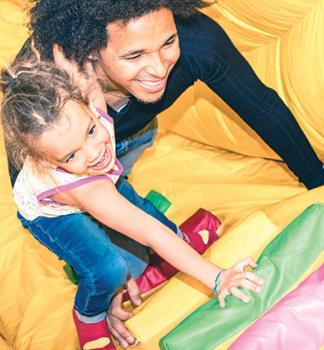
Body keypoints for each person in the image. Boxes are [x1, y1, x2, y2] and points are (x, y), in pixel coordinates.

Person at [0, 45, 263, 350]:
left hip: (100, 180)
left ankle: (173, 249)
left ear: (87, 105)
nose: (95, 151)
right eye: (71, 155)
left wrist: (71, 65)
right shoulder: (85, 186)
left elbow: (86, 85)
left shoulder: (88, 111)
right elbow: (149, 233)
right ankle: (89, 315)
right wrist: (217, 278)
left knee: (145, 211)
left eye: (91, 131)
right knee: (107, 267)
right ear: (48, 162)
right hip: (54, 214)